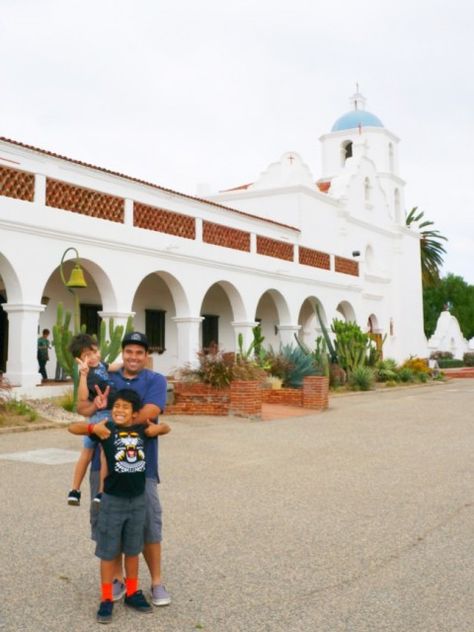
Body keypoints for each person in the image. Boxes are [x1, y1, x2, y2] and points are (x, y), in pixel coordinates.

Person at [77, 331, 170, 607]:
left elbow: (151, 411)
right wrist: (91, 397)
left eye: (139, 352)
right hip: (103, 465)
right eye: (129, 351)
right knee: (108, 523)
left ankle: (156, 582)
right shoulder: (107, 376)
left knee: (149, 522)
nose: (133, 357)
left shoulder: (155, 380)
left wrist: (115, 422)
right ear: (122, 353)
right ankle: (117, 578)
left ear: (145, 356)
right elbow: (82, 408)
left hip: (143, 466)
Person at [69, 389, 171, 624]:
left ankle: (133, 592)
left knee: (133, 549)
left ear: (135, 413)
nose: (119, 410)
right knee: (109, 550)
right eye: (116, 407)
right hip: (112, 501)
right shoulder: (106, 430)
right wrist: (93, 428)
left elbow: (166, 428)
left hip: (137, 500)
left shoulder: (142, 430)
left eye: (126, 407)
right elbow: (72, 428)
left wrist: (158, 428)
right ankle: (106, 598)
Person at [67, 333, 122, 506]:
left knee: (105, 454)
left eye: (94, 352)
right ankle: (74, 490)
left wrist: (128, 361)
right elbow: (83, 397)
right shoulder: (86, 372)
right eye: (86, 356)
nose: (92, 357)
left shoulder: (102, 365)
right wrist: (83, 375)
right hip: (98, 415)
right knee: (87, 452)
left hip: (109, 413)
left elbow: (115, 366)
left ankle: (101, 492)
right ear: (79, 359)